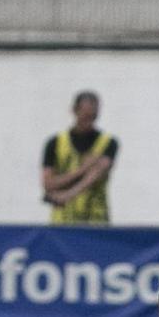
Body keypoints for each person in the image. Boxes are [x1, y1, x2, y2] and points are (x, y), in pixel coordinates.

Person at [41, 90, 117, 225]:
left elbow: (96, 174)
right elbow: (48, 184)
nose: (89, 121)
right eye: (86, 116)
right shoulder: (55, 143)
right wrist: (83, 169)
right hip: (62, 223)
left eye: (93, 116)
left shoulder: (107, 142)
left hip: (96, 222)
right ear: (74, 111)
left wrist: (68, 194)